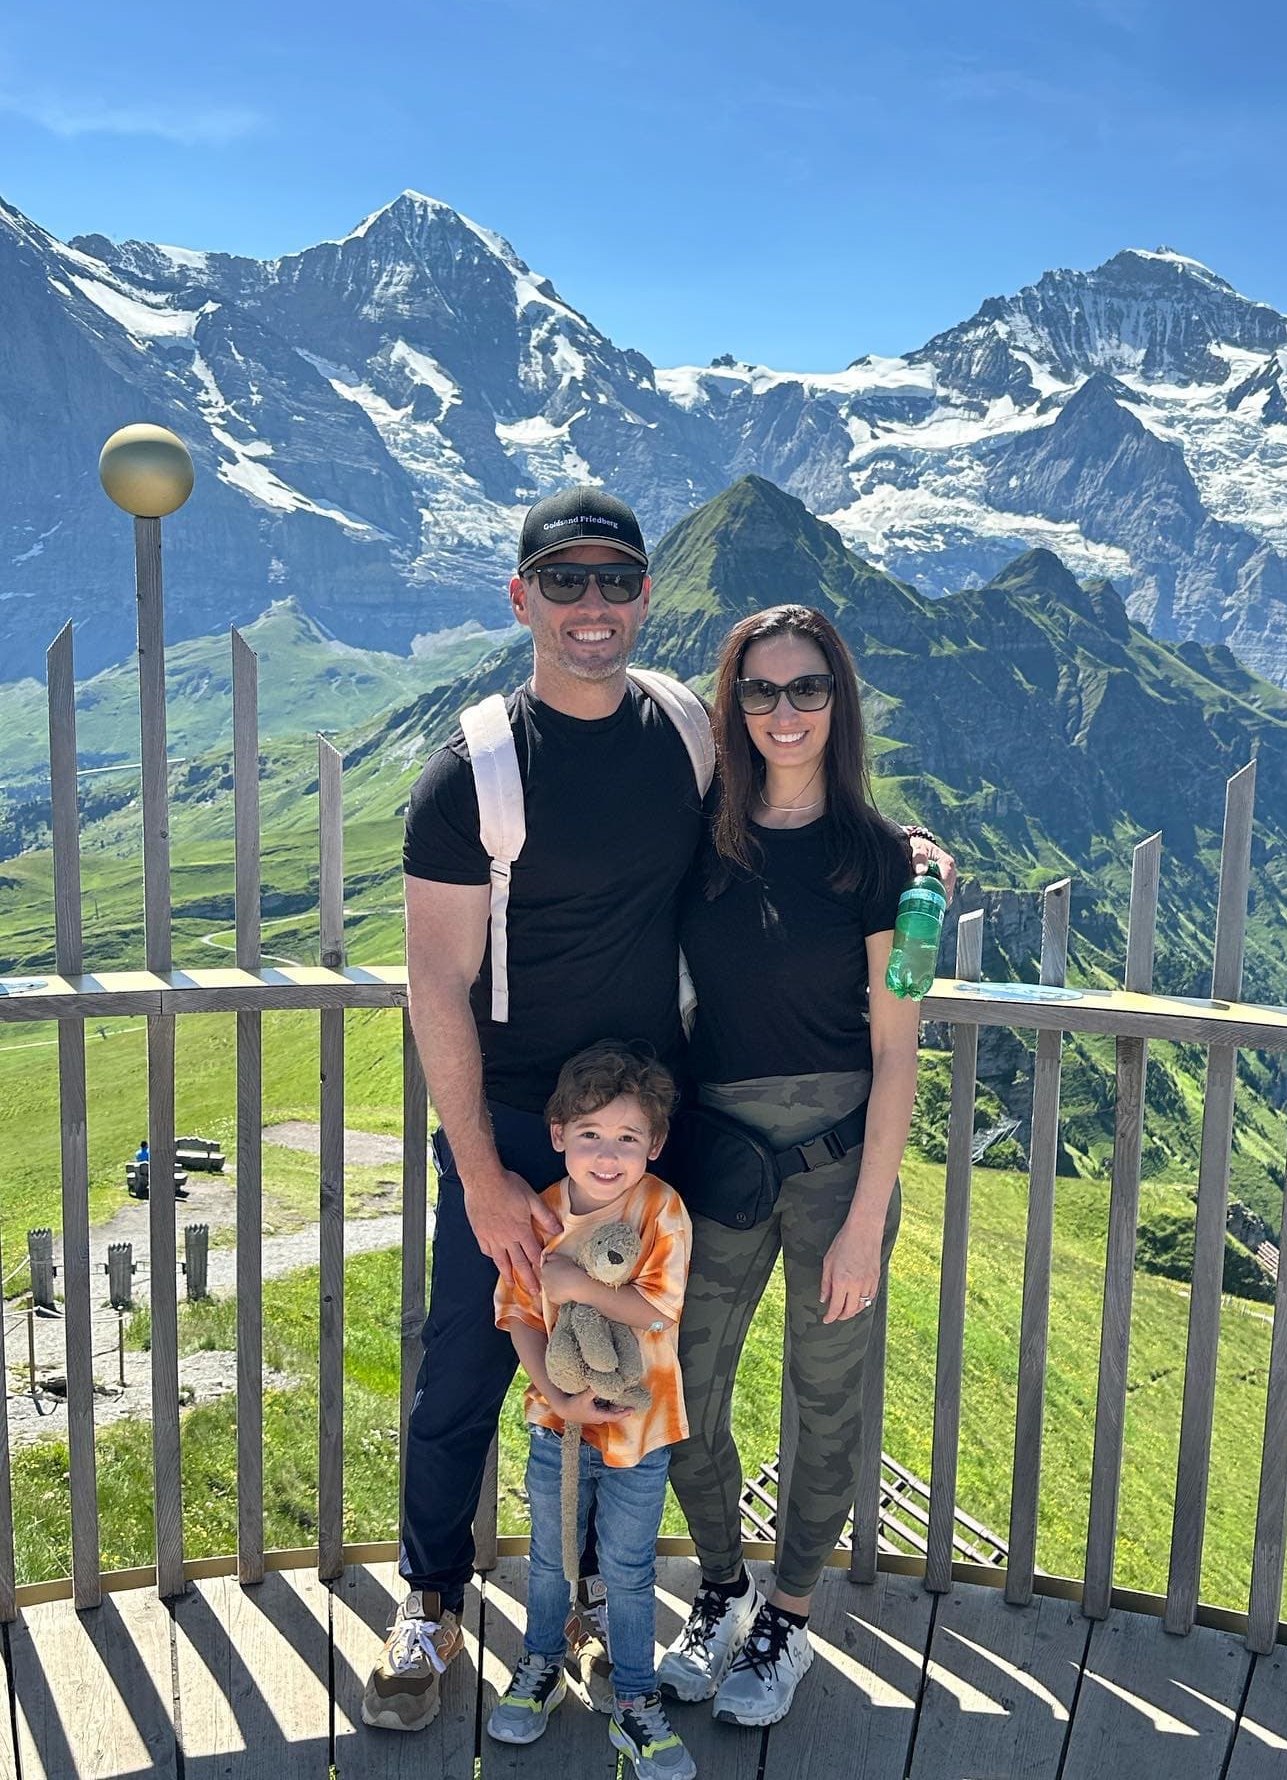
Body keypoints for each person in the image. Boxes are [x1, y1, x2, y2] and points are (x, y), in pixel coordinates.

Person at [365, 481, 950, 1734]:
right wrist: (479, 1170)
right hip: (520, 1120)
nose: (592, 606)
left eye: (615, 581)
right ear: (521, 597)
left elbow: (796, 826)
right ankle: (430, 1595)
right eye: (563, 581)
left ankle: (583, 1593)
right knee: (471, 1349)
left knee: (625, 1358)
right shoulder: (469, 774)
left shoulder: (684, 732)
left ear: (645, 596)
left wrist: (907, 860)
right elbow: (435, 984)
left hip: (648, 1125)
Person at [657, 603, 923, 1728]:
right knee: (679, 1387)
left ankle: (791, 1613)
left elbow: (898, 1049)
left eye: (806, 688)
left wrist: (866, 1220)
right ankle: (722, 1585)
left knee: (826, 1402)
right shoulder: (698, 835)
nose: (783, 712)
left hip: (836, 1166)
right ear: (733, 707)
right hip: (719, 1161)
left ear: (838, 699)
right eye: (759, 692)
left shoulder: (877, 858)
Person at [487, 1041, 695, 1780]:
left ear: (655, 1144)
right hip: (558, 1425)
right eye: (590, 1136)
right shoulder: (540, 1214)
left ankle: (635, 1700)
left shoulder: (661, 1210)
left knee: (631, 1568)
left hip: (642, 1430)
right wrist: (556, 1390)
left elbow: (654, 1310)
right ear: (558, 1136)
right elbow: (517, 1312)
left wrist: (574, 1284)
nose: (607, 1156)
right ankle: (541, 1662)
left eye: (627, 1139)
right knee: (548, 1558)